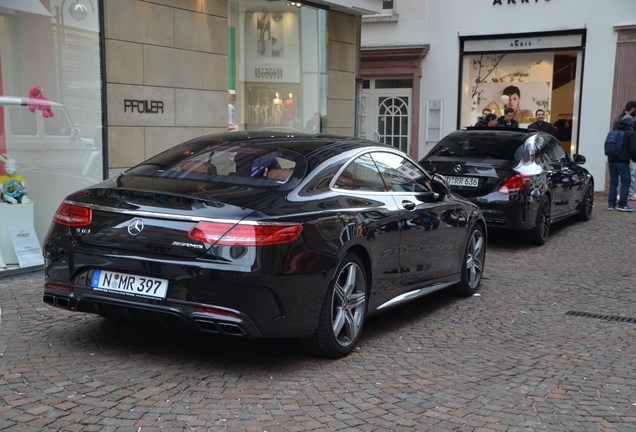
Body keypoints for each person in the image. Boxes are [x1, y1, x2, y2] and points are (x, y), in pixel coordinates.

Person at [607, 115, 636, 212]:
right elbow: (633, 149)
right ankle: (622, 204)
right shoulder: (630, 133)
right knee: (625, 182)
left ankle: (611, 204)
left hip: (611, 161)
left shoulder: (614, 132)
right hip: (623, 162)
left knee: (613, 182)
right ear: (630, 123)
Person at [612, 101, 636, 201]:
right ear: (633, 109)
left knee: (626, 174)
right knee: (627, 174)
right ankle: (626, 194)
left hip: (621, 152)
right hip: (625, 152)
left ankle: (626, 193)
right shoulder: (622, 120)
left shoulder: (618, 119)